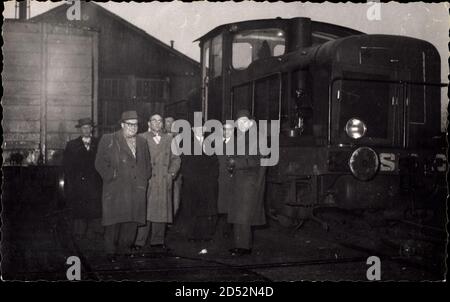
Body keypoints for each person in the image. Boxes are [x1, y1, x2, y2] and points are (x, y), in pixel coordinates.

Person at [95, 110, 151, 262]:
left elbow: (147, 165)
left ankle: (125, 250)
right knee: (113, 221)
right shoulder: (109, 139)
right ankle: (111, 252)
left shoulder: (142, 142)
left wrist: (143, 181)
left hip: (136, 189)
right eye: (129, 124)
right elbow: (99, 163)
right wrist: (111, 176)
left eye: (136, 125)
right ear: (122, 125)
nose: (133, 128)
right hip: (115, 188)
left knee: (131, 221)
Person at [132, 114, 180, 253]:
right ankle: (139, 241)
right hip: (148, 180)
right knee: (145, 211)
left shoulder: (169, 138)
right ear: (149, 123)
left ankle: (158, 241)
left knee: (161, 211)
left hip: (163, 179)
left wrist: (171, 174)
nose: (157, 123)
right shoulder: (141, 138)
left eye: (160, 121)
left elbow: (176, 159)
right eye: (154, 120)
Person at [227, 110, 267, 256]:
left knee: (244, 215)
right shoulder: (240, 137)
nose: (241, 124)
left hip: (249, 181)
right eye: (239, 122)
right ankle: (240, 244)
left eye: (245, 121)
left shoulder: (258, 137)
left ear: (251, 123)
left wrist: (235, 162)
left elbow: (257, 159)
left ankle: (244, 247)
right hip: (239, 180)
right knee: (238, 214)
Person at [179, 117, 219, 242]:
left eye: (201, 127)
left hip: (207, 183)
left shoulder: (210, 143)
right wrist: (191, 179)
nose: (199, 130)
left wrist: (211, 179)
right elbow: (184, 164)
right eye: (196, 127)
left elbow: (215, 163)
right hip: (192, 183)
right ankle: (191, 235)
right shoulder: (185, 143)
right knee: (191, 209)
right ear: (192, 129)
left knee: (205, 210)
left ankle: (205, 235)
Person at [62, 118, 102, 242]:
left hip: (95, 182)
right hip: (78, 183)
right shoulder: (72, 145)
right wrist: (71, 183)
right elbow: (67, 166)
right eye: (84, 128)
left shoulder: (99, 143)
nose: (86, 130)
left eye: (89, 127)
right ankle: (79, 233)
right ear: (80, 129)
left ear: (92, 129)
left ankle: (96, 232)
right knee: (79, 208)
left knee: (95, 207)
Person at [216, 122, 235, 239]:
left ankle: (227, 230)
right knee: (220, 203)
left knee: (229, 204)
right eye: (224, 129)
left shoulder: (237, 144)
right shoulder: (217, 143)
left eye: (229, 129)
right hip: (219, 177)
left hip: (230, 178)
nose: (226, 132)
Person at [164, 116, 182, 218]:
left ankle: (171, 218)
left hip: (176, 174)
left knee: (176, 199)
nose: (170, 124)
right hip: (163, 173)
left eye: (172, 122)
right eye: (167, 122)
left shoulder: (181, 138)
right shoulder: (160, 136)